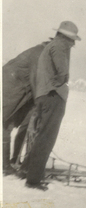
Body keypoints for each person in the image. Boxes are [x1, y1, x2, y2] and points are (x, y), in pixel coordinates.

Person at [23, 21, 80, 191]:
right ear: (65, 37)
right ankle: (33, 180)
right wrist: (59, 83)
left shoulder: (50, 46)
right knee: (46, 137)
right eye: (72, 40)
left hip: (43, 95)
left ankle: (27, 169)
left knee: (41, 135)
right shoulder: (59, 47)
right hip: (53, 96)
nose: (73, 44)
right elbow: (62, 72)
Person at [2, 40, 50, 175]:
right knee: (5, 124)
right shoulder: (40, 54)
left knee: (9, 125)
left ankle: (10, 162)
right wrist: (41, 102)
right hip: (10, 91)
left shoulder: (40, 52)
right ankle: (5, 165)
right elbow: (36, 81)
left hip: (17, 92)